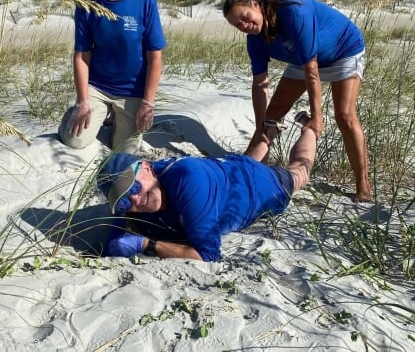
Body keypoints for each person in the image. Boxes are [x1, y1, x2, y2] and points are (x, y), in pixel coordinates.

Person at [97, 112, 316, 261]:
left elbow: (208, 255)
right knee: (247, 159)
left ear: (146, 167)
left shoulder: (187, 182)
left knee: (298, 172)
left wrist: (147, 245)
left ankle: (310, 128)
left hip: (262, 186)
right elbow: (117, 225)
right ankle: (268, 137)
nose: (135, 199)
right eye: (125, 200)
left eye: (134, 188)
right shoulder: (139, 189)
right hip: (230, 167)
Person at [222, 0, 371, 202]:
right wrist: (260, 127)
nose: (245, 25)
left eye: (245, 17)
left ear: (256, 5)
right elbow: (259, 84)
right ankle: (250, 170)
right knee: (269, 118)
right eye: (238, 25)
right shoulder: (255, 40)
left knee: (344, 116)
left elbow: (312, 71)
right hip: (301, 59)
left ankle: (363, 185)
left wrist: (317, 118)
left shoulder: (294, 13)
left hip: (343, 51)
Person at [58, 0, 167, 153]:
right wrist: (82, 101)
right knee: (74, 140)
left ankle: (115, 117)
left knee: (123, 153)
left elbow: (155, 56)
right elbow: (81, 56)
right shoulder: (86, 4)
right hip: (98, 88)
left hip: (132, 92)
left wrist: (148, 102)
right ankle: (91, 113)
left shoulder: (145, 0)